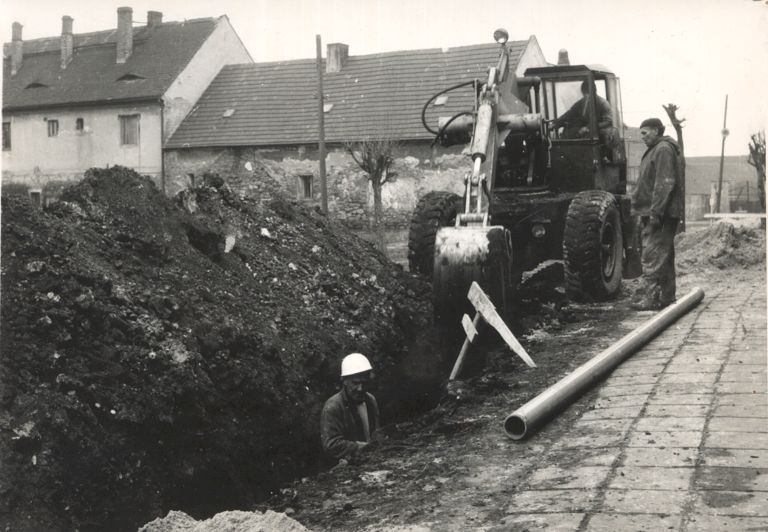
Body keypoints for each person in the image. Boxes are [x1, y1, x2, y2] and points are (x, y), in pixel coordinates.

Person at [630, 117, 685, 310]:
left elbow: (664, 184)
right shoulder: (657, 150)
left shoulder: (662, 150)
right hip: (659, 212)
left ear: (656, 130)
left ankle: (651, 298)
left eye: (645, 133)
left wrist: (655, 213)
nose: (642, 137)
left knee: (652, 255)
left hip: (661, 214)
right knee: (664, 255)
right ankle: (667, 296)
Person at [320, 352, 380, 461]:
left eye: (364, 383)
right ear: (344, 381)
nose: (360, 388)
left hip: (371, 460)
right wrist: (359, 447)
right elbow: (331, 445)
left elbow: (375, 432)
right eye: (355, 383)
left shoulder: (370, 400)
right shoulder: (334, 406)